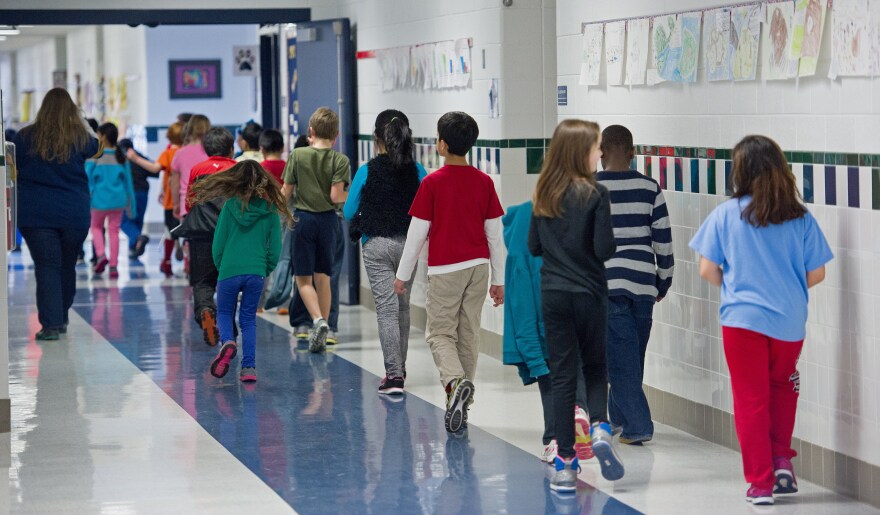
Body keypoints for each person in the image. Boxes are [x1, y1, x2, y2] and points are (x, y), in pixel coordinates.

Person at [690, 135, 832, 506]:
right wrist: (784, 288)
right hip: (789, 323)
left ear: (741, 171)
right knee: (783, 387)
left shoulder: (726, 214)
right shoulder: (799, 216)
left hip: (742, 321)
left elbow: (707, 269)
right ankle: (782, 459)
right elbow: (816, 274)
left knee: (751, 399)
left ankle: (761, 484)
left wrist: (736, 286)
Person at [393, 111, 505, 434]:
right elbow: (495, 236)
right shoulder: (484, 182)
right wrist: (498, 280)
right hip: (478, 268)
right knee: (468, 333)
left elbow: (416, 234)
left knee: (440, 333)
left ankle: (455, 384)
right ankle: (461, 404)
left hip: (446, 270)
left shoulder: (432, 183)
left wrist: (402, 274)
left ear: (442, 145)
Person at [528, 119, 621, 491]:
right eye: (597, 147)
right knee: (596, 366)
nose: (600, 152)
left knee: (564, 375)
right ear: (582, 151)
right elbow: (603, 249)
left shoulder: (544, 192)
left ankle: (565, 462)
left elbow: (534, 246)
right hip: (590, 293)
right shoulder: (595, 194)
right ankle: (599, 425)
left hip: (554, 294)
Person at [596, 125, 674, 445]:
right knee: (631, 356)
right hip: (643, 283)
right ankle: (619, 417)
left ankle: (639, 426)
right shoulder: (649, 187)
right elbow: (663, 240)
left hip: (607, 285)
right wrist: (663, 281)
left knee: (620, 358)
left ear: (600, 153)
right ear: (632, 152)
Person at [343, 109, 427, 395]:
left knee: (386, 310)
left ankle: (393, 376)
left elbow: (349, 210)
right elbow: (428, 208)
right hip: (408, 246)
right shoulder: (417, 171)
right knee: (403, 306)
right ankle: (400, 367)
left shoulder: (367, 170)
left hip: (376, 244)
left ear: (376, 138)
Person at [502, 200, 593, 463]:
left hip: (546, 325)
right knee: (577, 365)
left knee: (550, 376)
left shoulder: (521, 240)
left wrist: (532, 359)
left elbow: (522, 308)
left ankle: (555, 439)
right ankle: (581, 411)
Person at [191, 160, 290, 382]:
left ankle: (227, 342)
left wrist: (222, 266)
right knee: (248, 319)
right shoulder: (271, 211)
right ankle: (249, 369)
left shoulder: (229, 207)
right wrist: (265, 269)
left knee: (225, 313)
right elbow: (275, 249)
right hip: (256, 273)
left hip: (229, 270)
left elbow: (218, 244)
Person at [14, 87, 99, 340]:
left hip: (36, 212)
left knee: (47, 265)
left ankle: (52, 324)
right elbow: (98, 146)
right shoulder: (80, 138)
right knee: (66, 264)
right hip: (73, 212)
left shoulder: (25, 136)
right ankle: (60, 316)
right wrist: (83, 121)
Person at [280, 107, 350, 353]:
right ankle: (329, 327)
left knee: (303, 278)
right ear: (336, 135)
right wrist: (351, 194)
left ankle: (317, 320)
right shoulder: (340, 160)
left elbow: (286, 191)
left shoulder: (298, 155)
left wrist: (275, 214)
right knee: (324, 277)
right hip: (329, 222)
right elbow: (336, 196)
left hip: (303, 221)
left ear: (311, 131)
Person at [172, 127, 237, 346]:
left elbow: (190, 201)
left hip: (201, 236)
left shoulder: (198, 169)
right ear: (231, 149)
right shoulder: (236, 169)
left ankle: (206, 312)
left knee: (202, 282)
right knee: (228, 282)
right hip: (231, 236)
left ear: (206, 149)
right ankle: (229, 327)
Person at [126, 121, 184, 276]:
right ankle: (187, 262)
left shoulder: (168, 154)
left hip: (171, 201)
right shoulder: (186, 153)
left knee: (169, 231)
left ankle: (167, 261)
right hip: (186, 201)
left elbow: (156, 168)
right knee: (187, 232)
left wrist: (135, 158)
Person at [86, 122, 137, 279]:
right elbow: (128, 183)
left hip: (98, 201)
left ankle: (101, 255)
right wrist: (131, 207)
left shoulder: (95, 157)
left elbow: (87, 178)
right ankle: (114, 266)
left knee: (95, 227)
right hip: (118, 200)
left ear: (104, 137)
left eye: (99, 135)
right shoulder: (121, 157)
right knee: (114, 231)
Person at [118, 137, 160, 260]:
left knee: (124, 221)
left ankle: (137, 238)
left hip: (127, 195)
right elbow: (155, 171)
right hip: (142, 194)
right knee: (137, 221)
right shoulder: (139, 158)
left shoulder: (120, 160)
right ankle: (134, 249)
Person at [170, 114, 210, 220]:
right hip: (210, 206)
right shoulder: (210, 152)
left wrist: (176, 204)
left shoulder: (179, 154)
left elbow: (174, 183)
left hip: (186, 205)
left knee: (190, 236)